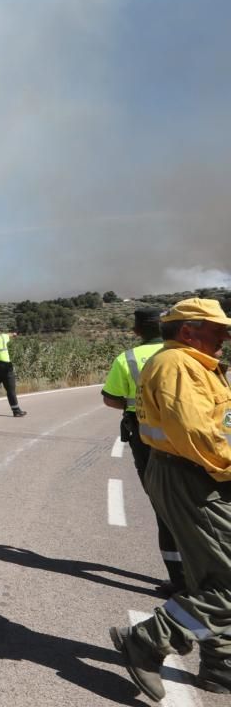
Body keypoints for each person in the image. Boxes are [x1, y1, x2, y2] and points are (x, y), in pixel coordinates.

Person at [109, 298, 231, 700]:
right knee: (227, 584)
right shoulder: (177, 365)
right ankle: (147, 640)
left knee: (212, 577)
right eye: (218, 330)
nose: (225, 337)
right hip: (195, 478)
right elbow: (198, 435)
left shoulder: (191, 363)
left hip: (190, 474)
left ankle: (220, 666)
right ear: (188, 331)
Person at [101, 307, 184, 595]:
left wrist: (135, 405)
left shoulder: (127, 359)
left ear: (136, 331)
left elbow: (111, 399)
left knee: (163, 507)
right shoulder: (185, 352)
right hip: (190, 435)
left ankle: (179, 580)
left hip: (146, 437)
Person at [0, 328, 27, 417]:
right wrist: (15, 333)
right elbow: (12, 335)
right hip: (4, 365)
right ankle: (16, 410)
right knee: (10, 389)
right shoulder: (2, 337)